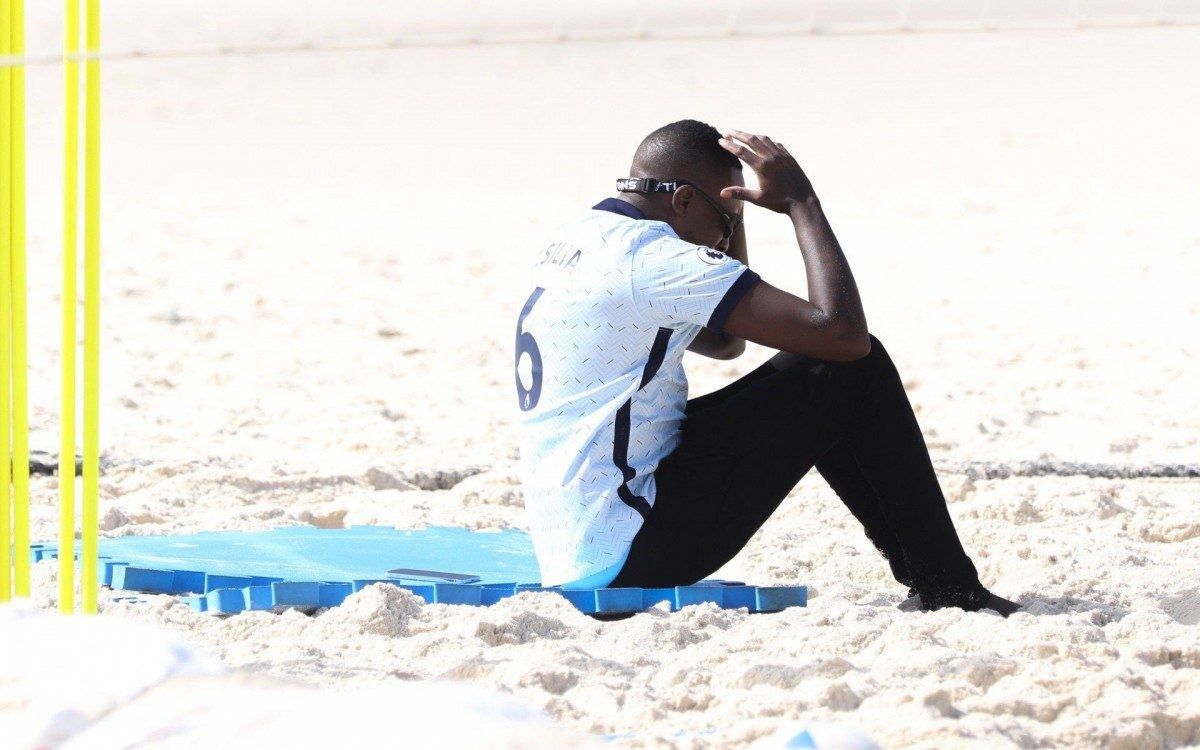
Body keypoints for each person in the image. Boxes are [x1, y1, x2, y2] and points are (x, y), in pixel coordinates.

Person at [513, 119, 1018, 616]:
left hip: (576, 541)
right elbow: (843, 335)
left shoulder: (581, 238)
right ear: (684, 201)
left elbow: (725, 342)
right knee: (853, 368)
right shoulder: (654, 260)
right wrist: (802, 203)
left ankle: (934, 578)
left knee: (825, 369)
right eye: (725, 220)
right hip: (629, 549)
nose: (724, 237)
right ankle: (948, 586)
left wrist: (729, 211)